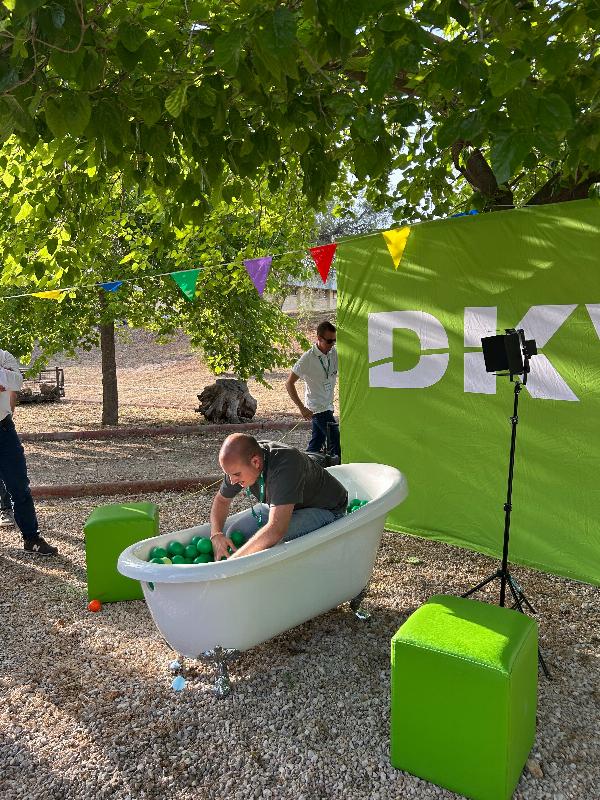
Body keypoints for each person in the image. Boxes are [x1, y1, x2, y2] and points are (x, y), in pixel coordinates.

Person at [209, 433, 348, 561]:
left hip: (327, 509)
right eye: (228, 474)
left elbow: (276, 530)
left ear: (256, 462)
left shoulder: (286, 464)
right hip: (287, 506)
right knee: (235, 533)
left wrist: (232, 563)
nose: (232, 481)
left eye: (236, 475)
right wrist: (216, 535)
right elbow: (221, 500)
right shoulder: (238, 464)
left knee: (273, 542)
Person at [0, 348, 58, 555]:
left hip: (4, 430)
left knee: (20, 487)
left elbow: (17, 383)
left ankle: (31, 538)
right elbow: (9, 381)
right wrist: (4, 375)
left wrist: (6, 378)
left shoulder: (4, 356)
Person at [286, 320, 341, 460]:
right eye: (329, 341)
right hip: (317, 409)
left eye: (334, 340)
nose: (332, 344)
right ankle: (337, 469)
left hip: (328, 406)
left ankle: (305, 467)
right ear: (319, 339)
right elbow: (289, 383)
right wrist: (301, 408)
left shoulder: (333, 353)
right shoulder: (307, 358)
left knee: (316, 443)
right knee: (336, 442)